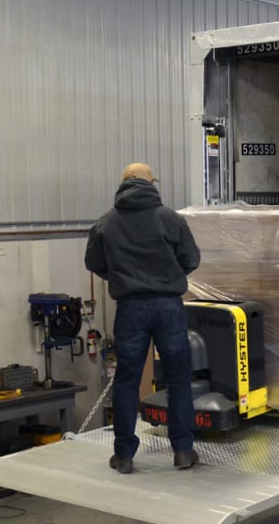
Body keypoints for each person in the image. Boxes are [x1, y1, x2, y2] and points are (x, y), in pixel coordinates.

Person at [85, 162, 201, 474]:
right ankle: (183, 450)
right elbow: (191, 258)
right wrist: (167, 276)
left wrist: (122, 277)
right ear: (152, 183)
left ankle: (124, 455)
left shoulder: (106, 223)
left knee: (126, 380)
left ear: (123, 183)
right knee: (178, 379)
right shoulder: (170, 218)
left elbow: (93, 262)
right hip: (168, 307)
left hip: (130, 308)